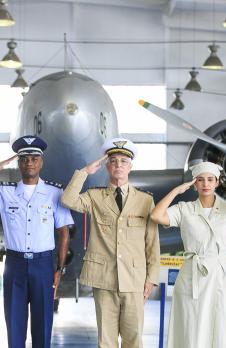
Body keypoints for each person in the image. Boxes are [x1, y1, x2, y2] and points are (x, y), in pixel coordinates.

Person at [0, 135, 73, 348]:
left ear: (41, 162)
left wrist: (59, 269)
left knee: (43, 326)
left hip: (43, 265)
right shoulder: (5, 192)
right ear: (19, 163)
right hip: (14, 265)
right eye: (24, 159)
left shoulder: (55, 193)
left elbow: (64, 233)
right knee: (14, 325)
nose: (29, 163)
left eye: (34, 158)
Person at [60, 137, 160, 348]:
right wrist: (85, 172)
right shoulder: (95, 197)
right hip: (104, 279)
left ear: (130, 167)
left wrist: (151, 278)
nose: (118, 166)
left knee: (134, 339)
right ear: (106, 166)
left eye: (123, 162)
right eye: (113, 161)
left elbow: (152, 243)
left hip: (134, 280)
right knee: (106, 340)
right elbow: (68, 200)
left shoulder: (145, 200)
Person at [150, 161, 226, 348]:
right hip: (192, 275)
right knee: (191, 326)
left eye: (210, 180)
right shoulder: (184, 209)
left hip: (223, 275)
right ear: (194, 184)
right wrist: (177, 191)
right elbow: (156, 216)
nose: (205, 184)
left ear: (217, 183)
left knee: (223, 326)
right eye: (200, 180)